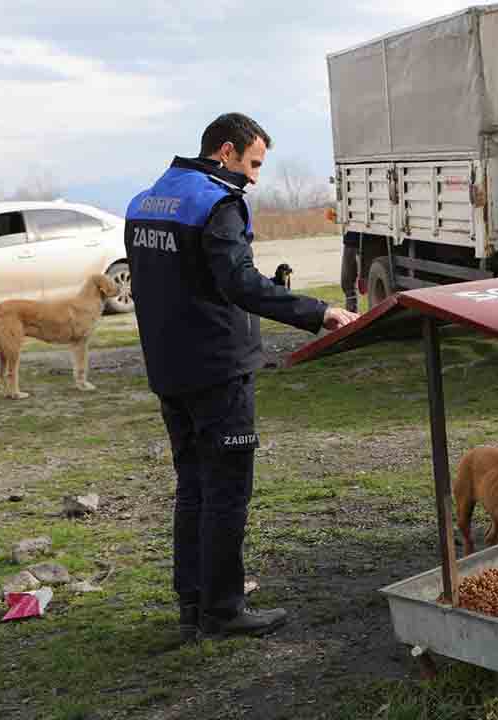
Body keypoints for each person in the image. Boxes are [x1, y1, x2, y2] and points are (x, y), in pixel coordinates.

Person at [125, 113, 357, 641]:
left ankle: (193, 604)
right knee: (227, 490)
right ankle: (224, 609)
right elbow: (241, 284)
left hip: (169, 370)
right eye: (252, 164)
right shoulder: (219, 202)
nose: (254, 177)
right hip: (219, 371)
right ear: (225, 152)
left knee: (193, 487)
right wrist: (318, 313)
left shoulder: (144, 203)